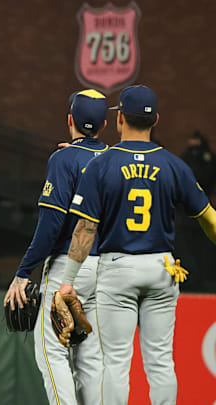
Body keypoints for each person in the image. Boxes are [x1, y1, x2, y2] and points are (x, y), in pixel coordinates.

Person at [58, 85, 216, 404]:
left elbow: (85, 229)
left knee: (116, 363)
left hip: (118, 268)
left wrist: (68, 280)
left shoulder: (101, 165)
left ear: (119, 121)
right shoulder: (174, 165)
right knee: (160, 362)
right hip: (162, 268)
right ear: (155, 120)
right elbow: (208, 218)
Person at [3, 89, 108, 405]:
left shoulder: (64, 159)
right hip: (108, 269)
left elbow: (51, 224)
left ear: (70, 120)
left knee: (52, 352)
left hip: (69, 265)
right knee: (91, 357)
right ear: (104, 125)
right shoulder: (115, 160)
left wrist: (23, 272)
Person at [181, 130, 215, 195]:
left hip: (204, 186)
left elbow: (210, 170)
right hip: (190, 185)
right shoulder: (188, 152)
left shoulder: (205, 153)